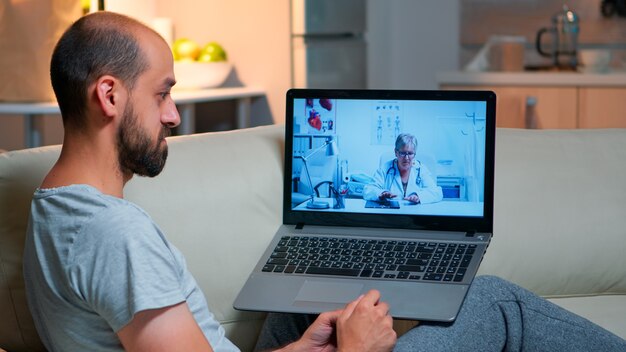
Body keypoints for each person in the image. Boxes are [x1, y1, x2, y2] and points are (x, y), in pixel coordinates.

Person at [22, 11, 625, 352]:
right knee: (494, 303)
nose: (174, 116)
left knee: (315, 312)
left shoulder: (53, 208)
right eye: (163, 95)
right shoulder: (114, 236)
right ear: (109, 95)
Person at [363, 133, 443, 204]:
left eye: (410, 153)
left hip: (415, 214)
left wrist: (418, 196)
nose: (407, 158)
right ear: (396, 152)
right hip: (390, 214)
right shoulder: (385, 168)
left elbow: (437, 193)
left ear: (415, 153)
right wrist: (381, 193)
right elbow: (368, 190)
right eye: (403, 153)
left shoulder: (420, 169)